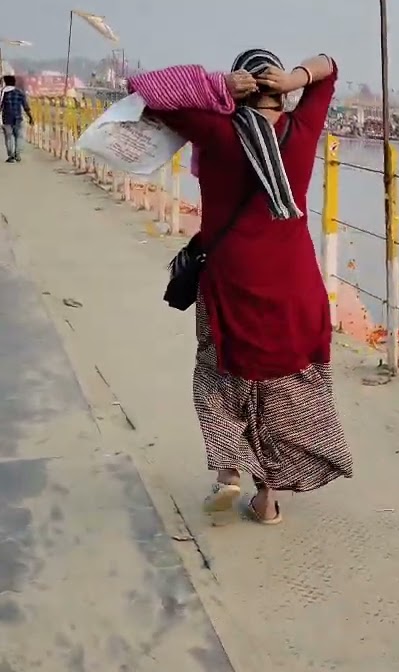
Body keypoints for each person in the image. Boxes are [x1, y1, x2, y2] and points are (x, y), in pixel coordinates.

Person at [132, 50, 351, 524]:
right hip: (295, 286)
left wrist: (217, 87)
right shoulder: (302, 130)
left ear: (241, 89)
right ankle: (267, 500)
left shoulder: (216, 131)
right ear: (279, 90)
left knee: (219, 373)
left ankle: (229, 469)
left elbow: (148, 88)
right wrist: (297, 78)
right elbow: (329, 67)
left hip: (230, 280)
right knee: (279, 388)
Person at [0, 75, 31, 162]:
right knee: (19, 137)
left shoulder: (2, 92)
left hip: (7, 118)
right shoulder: (19, 92)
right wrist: (30, 117)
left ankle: (11, 156)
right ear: (14, 82)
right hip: (18, 118)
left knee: (9, 137)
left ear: (5, 82)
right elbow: (25, 106)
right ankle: (18, 154)